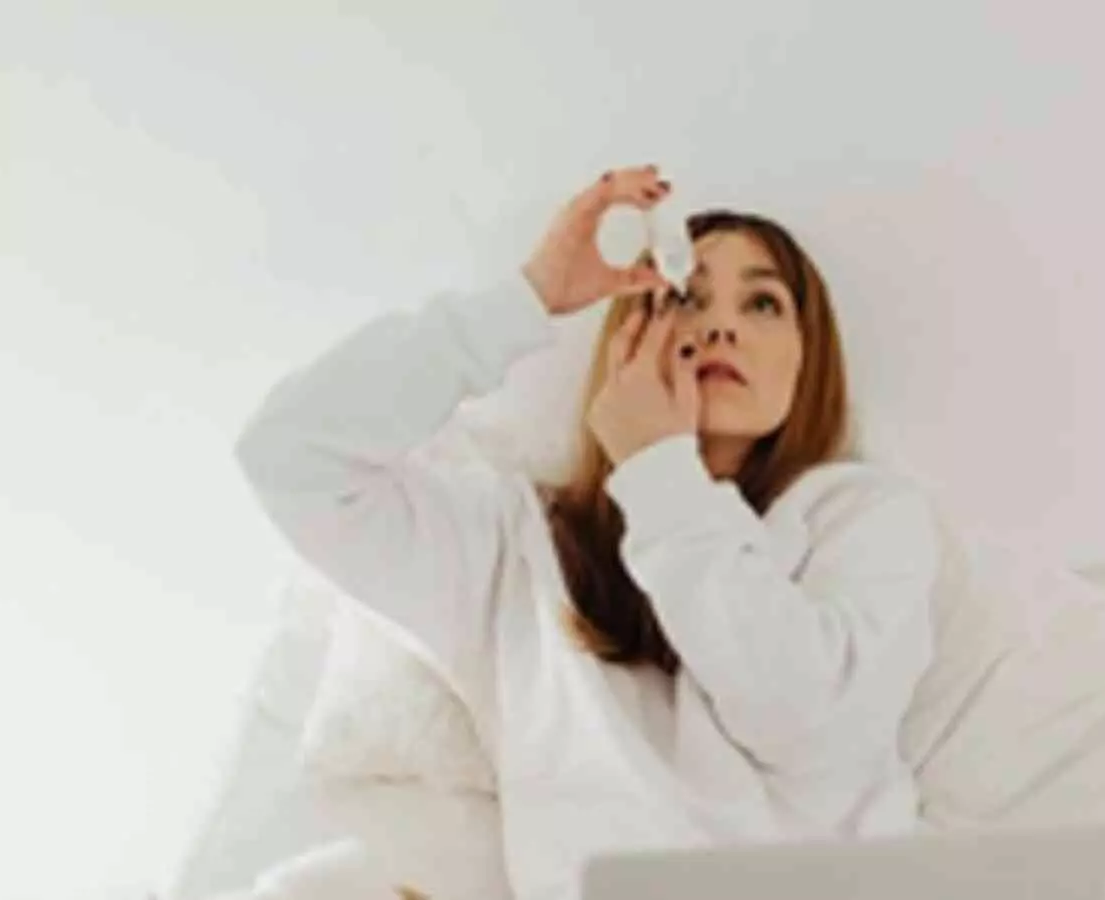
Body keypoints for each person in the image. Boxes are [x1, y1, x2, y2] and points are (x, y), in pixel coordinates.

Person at [233, 164, 942, 900]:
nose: (720, 326)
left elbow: (804, 719)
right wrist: (526, 299)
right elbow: (290, 457)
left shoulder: (862, 517)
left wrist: (660, 471)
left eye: (763, 302)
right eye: (686, 297)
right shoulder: (519, 544)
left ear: (808, 358)